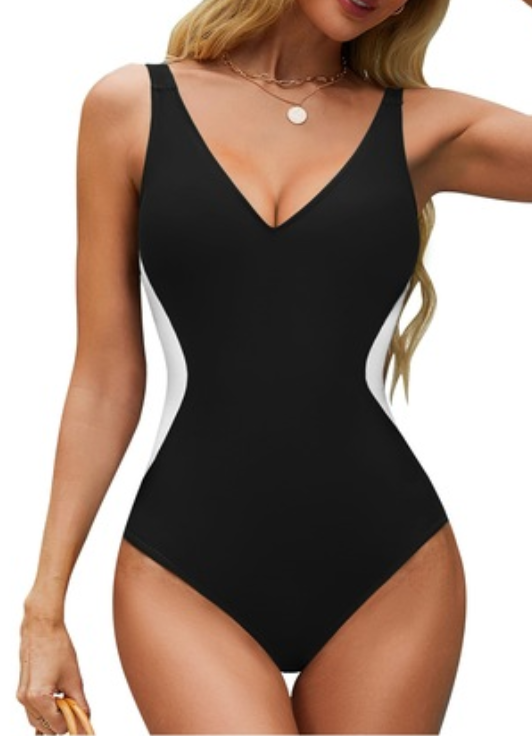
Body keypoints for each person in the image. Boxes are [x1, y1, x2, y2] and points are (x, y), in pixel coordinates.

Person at [16, 0, 532, 733]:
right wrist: (44, 610)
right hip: (183, 572)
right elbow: (104, 377)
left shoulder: (426, 126)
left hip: (390, 571)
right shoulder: (131, 107)